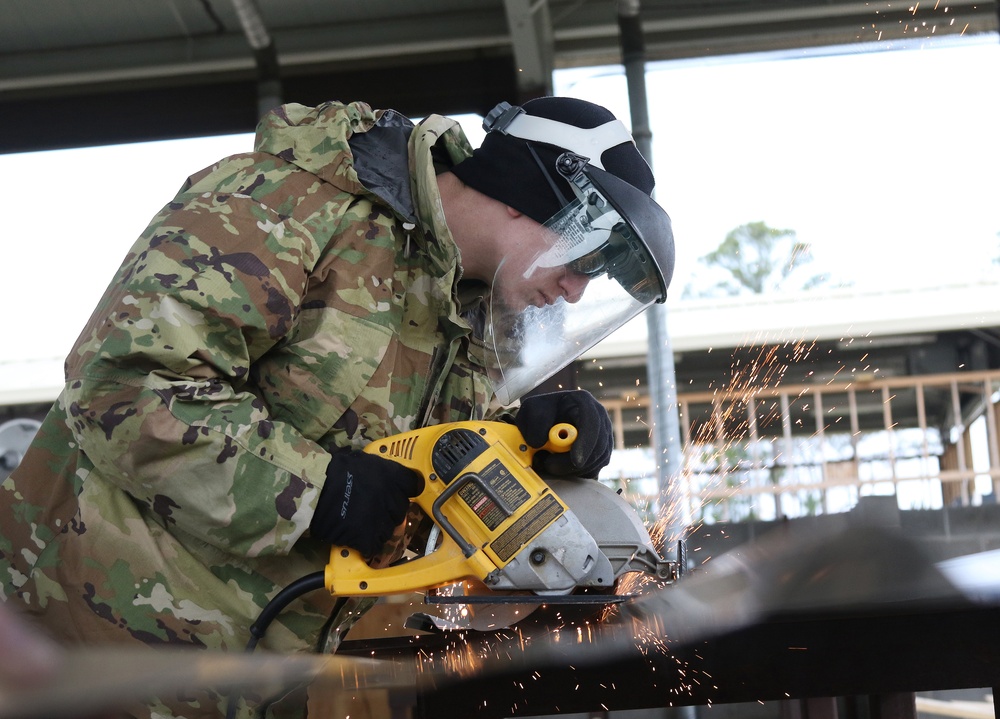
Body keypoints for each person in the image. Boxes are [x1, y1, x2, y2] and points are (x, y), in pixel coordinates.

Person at [0, 95, 674, 716]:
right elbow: (124, 384)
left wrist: (527, 447)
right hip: (73, 660)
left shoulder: (468, 319)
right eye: (586, 260)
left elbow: (395, 466)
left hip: (245, 690)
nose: (578, 292)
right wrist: (315, 491)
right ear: (534, 195)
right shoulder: (286, 203)